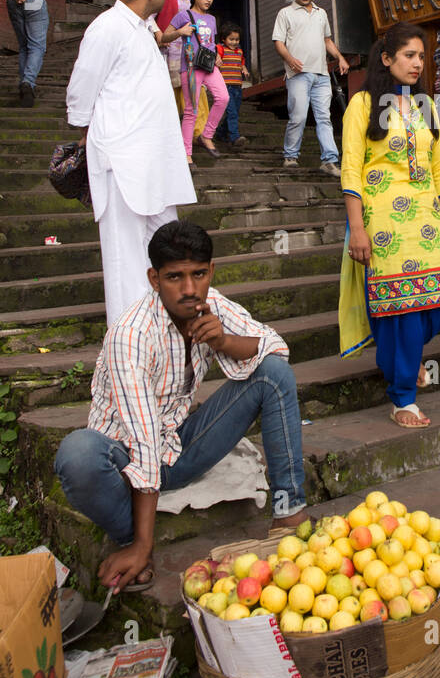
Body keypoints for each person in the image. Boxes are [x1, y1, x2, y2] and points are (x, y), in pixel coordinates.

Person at [53, 220, 307, 592]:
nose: (189, 289)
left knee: (273, 373)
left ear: (211, 272)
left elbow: (275, 346)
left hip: (177, 449)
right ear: (154, 279)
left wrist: (224, 340)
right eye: (175, 277)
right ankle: (132, 542)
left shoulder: (209, 302)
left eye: (199, 274)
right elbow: (141, 442)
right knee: (78, 454)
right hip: (122, 465)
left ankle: (288, 513)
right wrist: (144, 544)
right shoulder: (131, 335)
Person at [338, 23, 440, 430]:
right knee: (403, 311)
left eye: (421, 57)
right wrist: (356, 228)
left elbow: (439, 166)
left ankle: (405, 357)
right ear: (386, 58)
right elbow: (350, 168)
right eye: (409, 56)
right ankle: (403, 398)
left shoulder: (424, 106)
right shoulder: (362, 105)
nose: (417, 64)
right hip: (382, 222)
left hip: (428, 218)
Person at [66, 0, 196, 328]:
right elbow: (81, 89)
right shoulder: (106, 28)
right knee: (125, 257)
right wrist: (87, 134)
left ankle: (162, 329)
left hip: (155, 160)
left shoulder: (144, 28)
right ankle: (127, 342)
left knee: (166, 246)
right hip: (121, 160)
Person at [272, 0, 349, 177]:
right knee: (297, 117)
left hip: (322, 74)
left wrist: (340, 57)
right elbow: (278, 42)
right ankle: (290, 156)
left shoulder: (321, 13)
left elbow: (327, 40)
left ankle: (330, 160)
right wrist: (290, 60)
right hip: (297, 74)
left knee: (324, 117)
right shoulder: (285, 13)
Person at [161, 0, 229, 164]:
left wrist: (216, 55)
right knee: (191, 110)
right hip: (190, 67)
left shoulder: (212, 19)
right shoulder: (184, 16)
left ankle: (207, 135)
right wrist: (180, 33)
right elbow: (163, 36)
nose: (209, 0)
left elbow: (211, 43)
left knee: (223, 98)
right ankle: (186, 153)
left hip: (209, 66)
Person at [155, 0, 208, 141]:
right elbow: (153, 19)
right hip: (171, 51)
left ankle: (198, 132)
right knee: (179, 92)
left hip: (190, 52)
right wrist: (159, 35)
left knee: (195, 90)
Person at [213, 21, 251, 148]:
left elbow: (241, 63)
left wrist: (244, 69)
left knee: (234, 111)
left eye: (237, 39)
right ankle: (235, 137)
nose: (234, 42)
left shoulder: (239, 52)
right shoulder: (221, 49)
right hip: (225, 87)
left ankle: (220, 133)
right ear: (224, 39)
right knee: (232, 112)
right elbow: (215, 50)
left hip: (237, 86)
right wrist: (217, 57)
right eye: (231, 39)